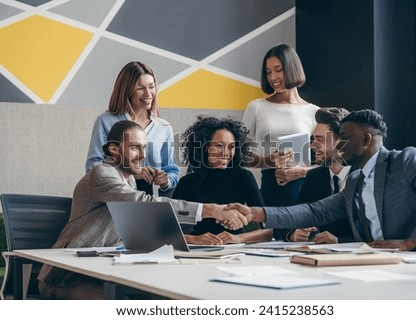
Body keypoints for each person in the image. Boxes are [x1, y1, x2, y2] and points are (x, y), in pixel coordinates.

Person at [38, 120, 248, 299]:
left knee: (166, 295)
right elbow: (144, 203)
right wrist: (210, 209)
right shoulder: (102, 173)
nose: (142, 155)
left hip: (101, 271)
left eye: (144, 148)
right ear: (114, 149)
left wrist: (194, 240)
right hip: (64, 277)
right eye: (135, 147)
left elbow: (140, 234)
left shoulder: (128, 182)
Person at [229, 109, 416, 254]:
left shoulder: (404, 161)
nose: (338, 144)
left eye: (344, 137)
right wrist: (256, 213)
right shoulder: (355, 181)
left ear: (366, 140)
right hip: (380, 264)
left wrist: (412, 241)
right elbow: (314, 212)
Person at [172, 116, 273, 245]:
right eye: (219, 146)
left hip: (235, 251)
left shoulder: (244, 177)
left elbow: (268, 231)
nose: (225, 153)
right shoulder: (187, 182)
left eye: (231, 147)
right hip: (198, 250)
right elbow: (166, 232)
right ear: (205, 147)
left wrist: (238, 238)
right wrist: (195, 239)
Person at [86, 61, 179, 196]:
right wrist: (132, 173)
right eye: (140, 88)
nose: (148, 94)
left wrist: (166, 180)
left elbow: (172, 170)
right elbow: (92, 169)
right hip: (113, 197)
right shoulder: (105, 121)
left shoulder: (163, 128)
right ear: (126, 90)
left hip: (147, 200)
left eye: (152, 87)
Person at [242, 44, 319, 206]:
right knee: (272, 231)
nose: (273, 77)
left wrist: (303, 172)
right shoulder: (256, 106)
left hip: (305, 191)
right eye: (268, 72)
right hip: (271, 190)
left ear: (292, 68)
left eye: (278, 70)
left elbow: (330, 162)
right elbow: (239, 156)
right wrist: (268, 161)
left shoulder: (313, 112)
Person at [274, 107, 354, 244]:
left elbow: (377, 233)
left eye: (320, 140)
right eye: (313, 139)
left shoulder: (364, 176)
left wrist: (339, 241)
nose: (312, 146)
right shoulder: (314, 177)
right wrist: (293, 234)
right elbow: (290, 221)